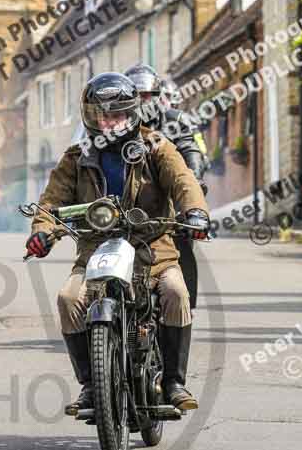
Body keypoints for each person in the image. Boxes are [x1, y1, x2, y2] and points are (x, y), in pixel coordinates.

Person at [25, 73, 210, 415]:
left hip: (153, 252)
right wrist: (42, 230)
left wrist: (195, 212)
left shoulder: (157, 147)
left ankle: (173, 381)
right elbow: (51, 202)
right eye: (101, 115)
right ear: (90, 116)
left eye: (116, 115)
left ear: (132, 113)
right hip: (96, 252)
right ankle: (90, 385)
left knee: (176, 293)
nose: (108, 122)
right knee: (69, 299)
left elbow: (184, 181)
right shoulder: (77, 157)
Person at [125, 64, 209, 310]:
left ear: (157, 96)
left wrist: (194, 181)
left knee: (182, 241)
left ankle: (182, 310)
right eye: (137, 96)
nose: (143, 101)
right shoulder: (117, 123)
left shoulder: (175, 120)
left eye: (147, 95)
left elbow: (190, 150)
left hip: (169, 196)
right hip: (128, 197)